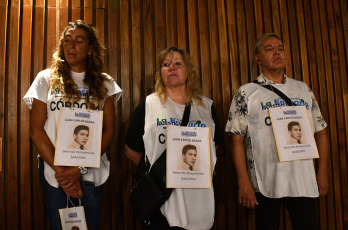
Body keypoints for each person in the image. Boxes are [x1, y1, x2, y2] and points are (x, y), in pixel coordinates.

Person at [23, 20, 122, 230]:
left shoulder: (105, 83)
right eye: (67, 41)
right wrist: (65, 175)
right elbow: (36, 130)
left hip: (91, 174)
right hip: (54, 172)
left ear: (90, 49)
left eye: (78, 41)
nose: (71, 46)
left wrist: (80, 169)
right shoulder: (46, 79)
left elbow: (109, 130)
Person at [225, 33, 329, 230]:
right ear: (258, 59)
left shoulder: (302, 89)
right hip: (266, 180)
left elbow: (321, 131)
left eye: (280, 48)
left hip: (303, 180)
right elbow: (235, 139)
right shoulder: (246, 92)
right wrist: (243, 181)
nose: (277, 52)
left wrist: (322, 171)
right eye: (269, 49)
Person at [125, 47, 221, 229]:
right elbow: (130, 150)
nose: (171, 68)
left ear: (188, 71)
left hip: (200, 198)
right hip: (163, 199)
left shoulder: (206, 106)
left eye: (178, 63)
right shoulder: (149, 105)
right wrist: (159, 173)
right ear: (160, 73)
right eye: (166, 64)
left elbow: (214, 147)